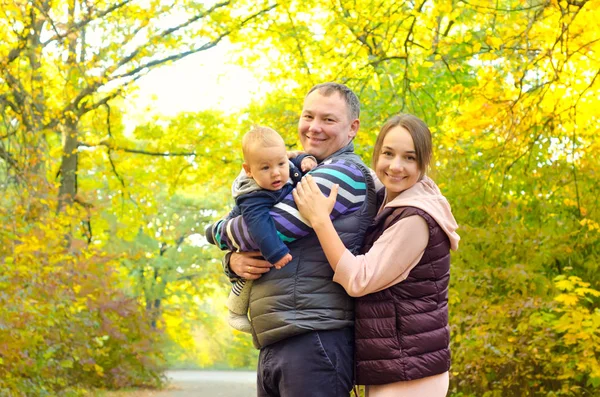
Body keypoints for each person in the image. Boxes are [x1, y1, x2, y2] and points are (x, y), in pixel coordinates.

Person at [205, 82, 378, 396]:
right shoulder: (299, 172)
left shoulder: (342, 174)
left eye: (328, 119)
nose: (314, 128)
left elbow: (266, 229)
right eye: (308, 116)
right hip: (282, 335)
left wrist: (216, 234)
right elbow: (255, 235)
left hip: (314, 337)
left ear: (353, 128)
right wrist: (233, 262)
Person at [293, 113, 460, 397]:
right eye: (388, 153)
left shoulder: (415, 219)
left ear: (424, 162)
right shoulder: (389, 198)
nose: (395, 166)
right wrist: (296, 160)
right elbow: (356, 173)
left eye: (409, 158)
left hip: (411, 374)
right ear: (376, 153)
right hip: (397, 366)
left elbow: (360, 278)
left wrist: (320, 220)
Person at [206, 125, 317, 333]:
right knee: (252, 268)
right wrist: (276, 252)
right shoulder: (253, 196)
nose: (276, 173)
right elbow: (260, 225)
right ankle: (236, 311)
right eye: (265, 168)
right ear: (248, 171)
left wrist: (305, 160)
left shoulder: (284, 166)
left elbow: (295, 161)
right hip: (246, 219)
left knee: (255, 266)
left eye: (280, 164)